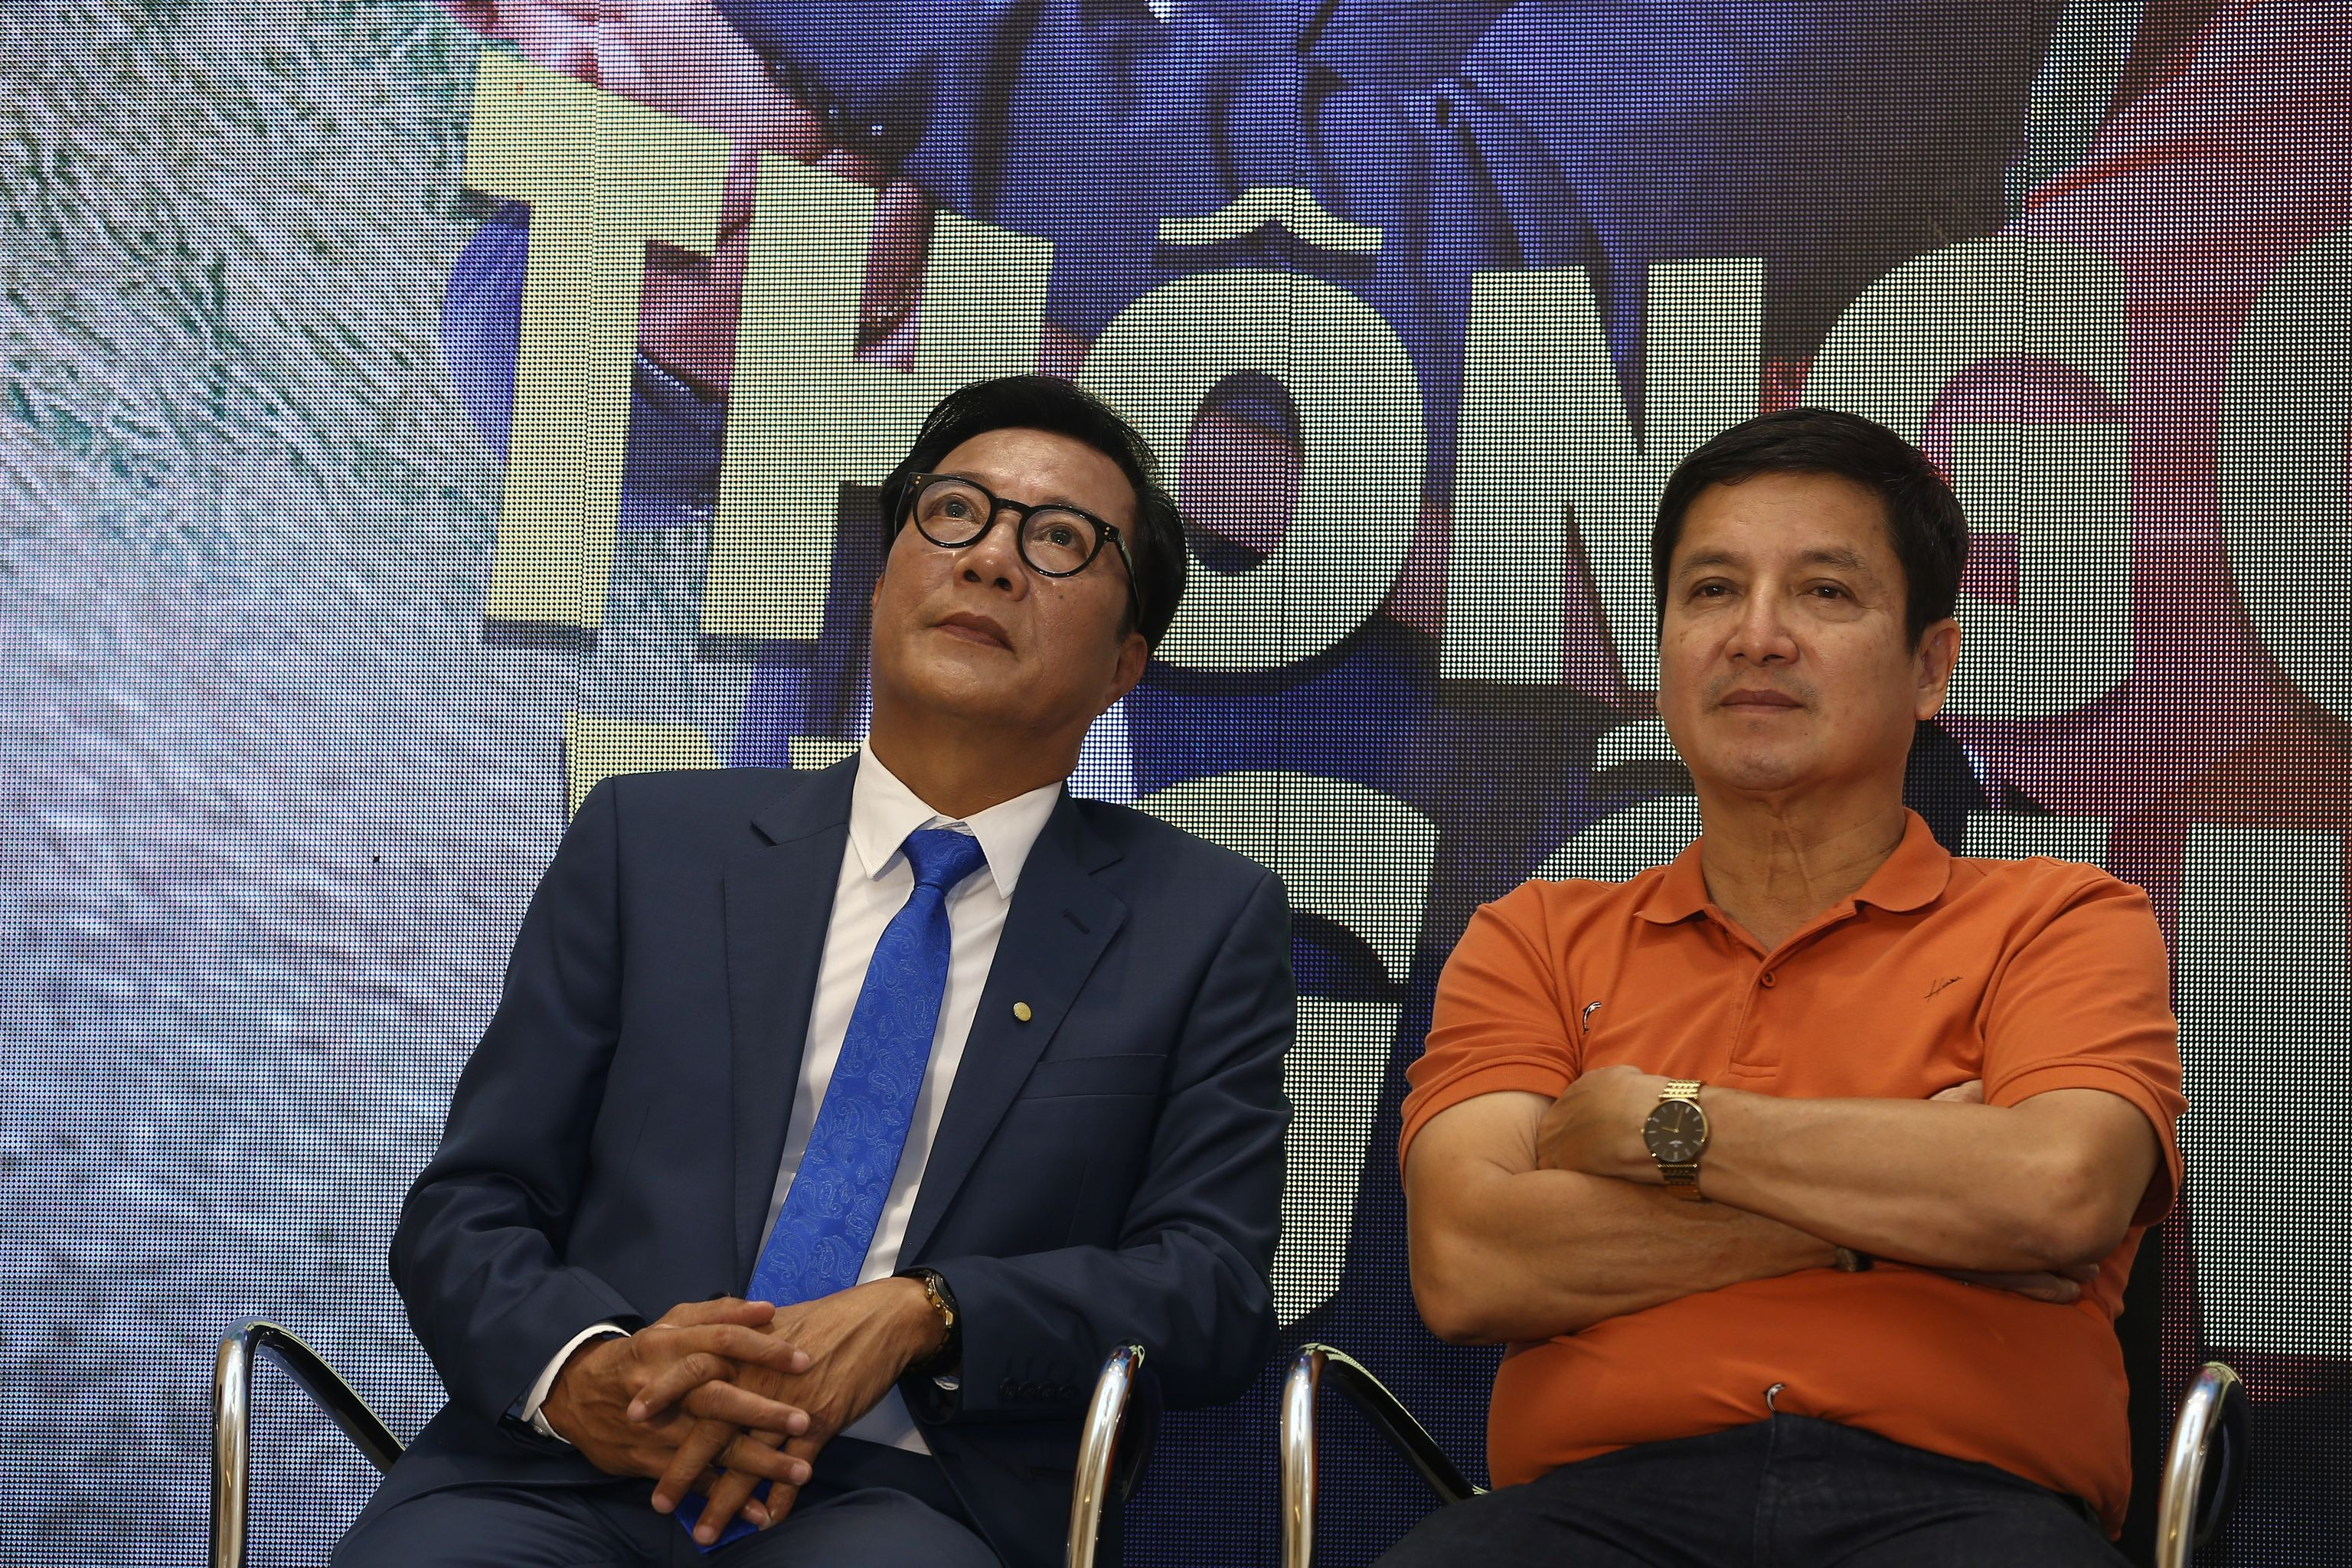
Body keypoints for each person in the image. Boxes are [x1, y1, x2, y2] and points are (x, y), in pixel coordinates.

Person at [335, 374, 1293, 1568]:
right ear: (883, 582)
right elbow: (471, 1205)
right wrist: (584, 1370)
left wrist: (929, 1312)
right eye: (956, 513)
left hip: (904, 1498)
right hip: (570, 1469)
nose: (992, 560)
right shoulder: (651, 844)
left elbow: (1209, 1291)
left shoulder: (1199, 922)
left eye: (1059, 540)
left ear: (1123, 666)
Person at [1391, 407, 2184, 1563]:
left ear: (1930, 666)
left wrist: (1661, 1128)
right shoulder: (1535, 939)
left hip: (1962, 1511)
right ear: (1659, 645)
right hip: (1593, 1511)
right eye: (1712, 590)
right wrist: (1897, 1214)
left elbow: (2057, 1191)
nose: (1757, 637)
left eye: (1824, 592)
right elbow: (1470, 1263)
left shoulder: (2060, 920)